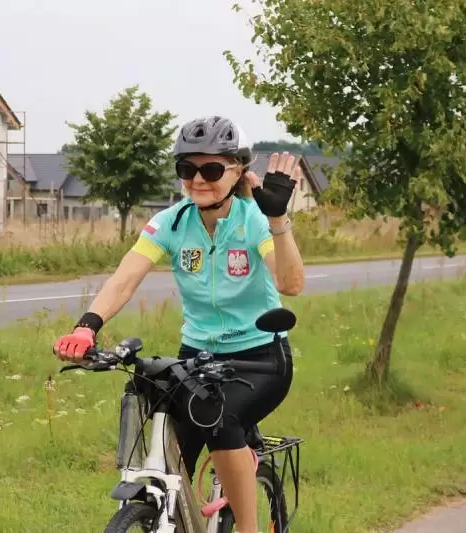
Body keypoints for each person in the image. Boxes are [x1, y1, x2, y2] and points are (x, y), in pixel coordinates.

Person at [53, 116, 305, 533]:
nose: (198, 180)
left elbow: (291, 283)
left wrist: (278, 220)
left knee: (221, 422)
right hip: (198, 358)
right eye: (187, 169)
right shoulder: (171, 222)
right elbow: (124, 279)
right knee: (171, 453)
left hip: (260, 358)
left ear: (238, 171)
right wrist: (86, 326)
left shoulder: (255, 219)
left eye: (211, 169)